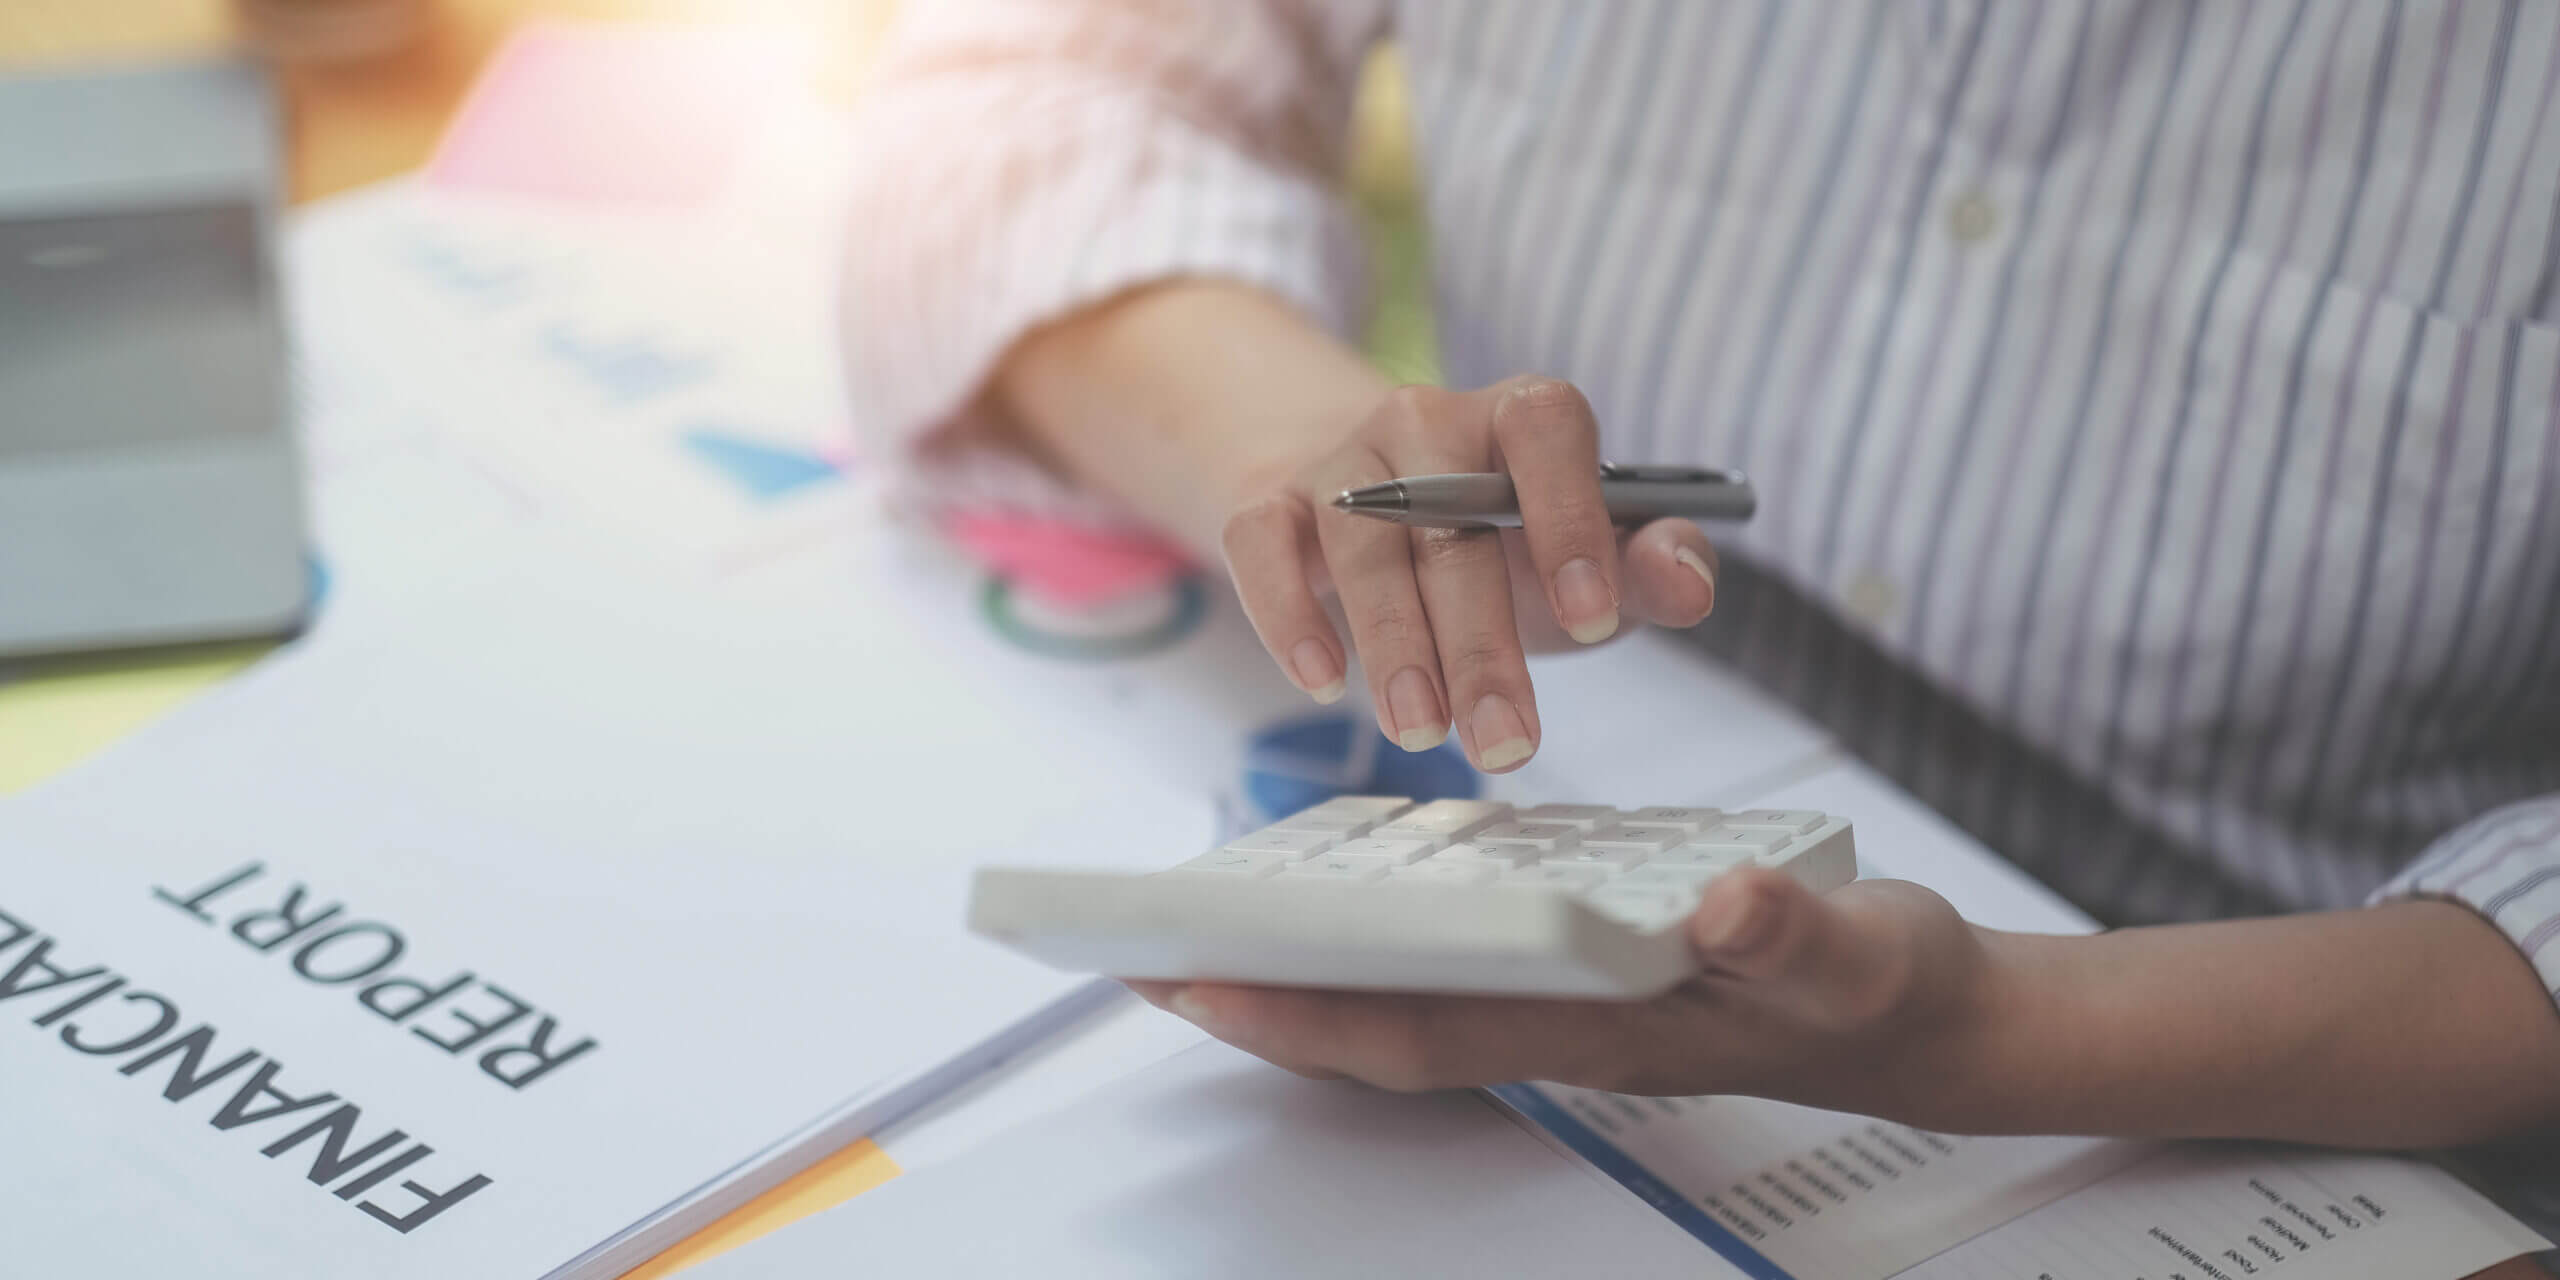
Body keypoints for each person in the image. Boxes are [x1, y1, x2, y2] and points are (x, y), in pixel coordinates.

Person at [842, 0, 2560, 1262]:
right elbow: (1025, 90)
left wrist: (1996, 1037)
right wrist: (1301, 453)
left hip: (2336, 1065)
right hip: (1620, 768)